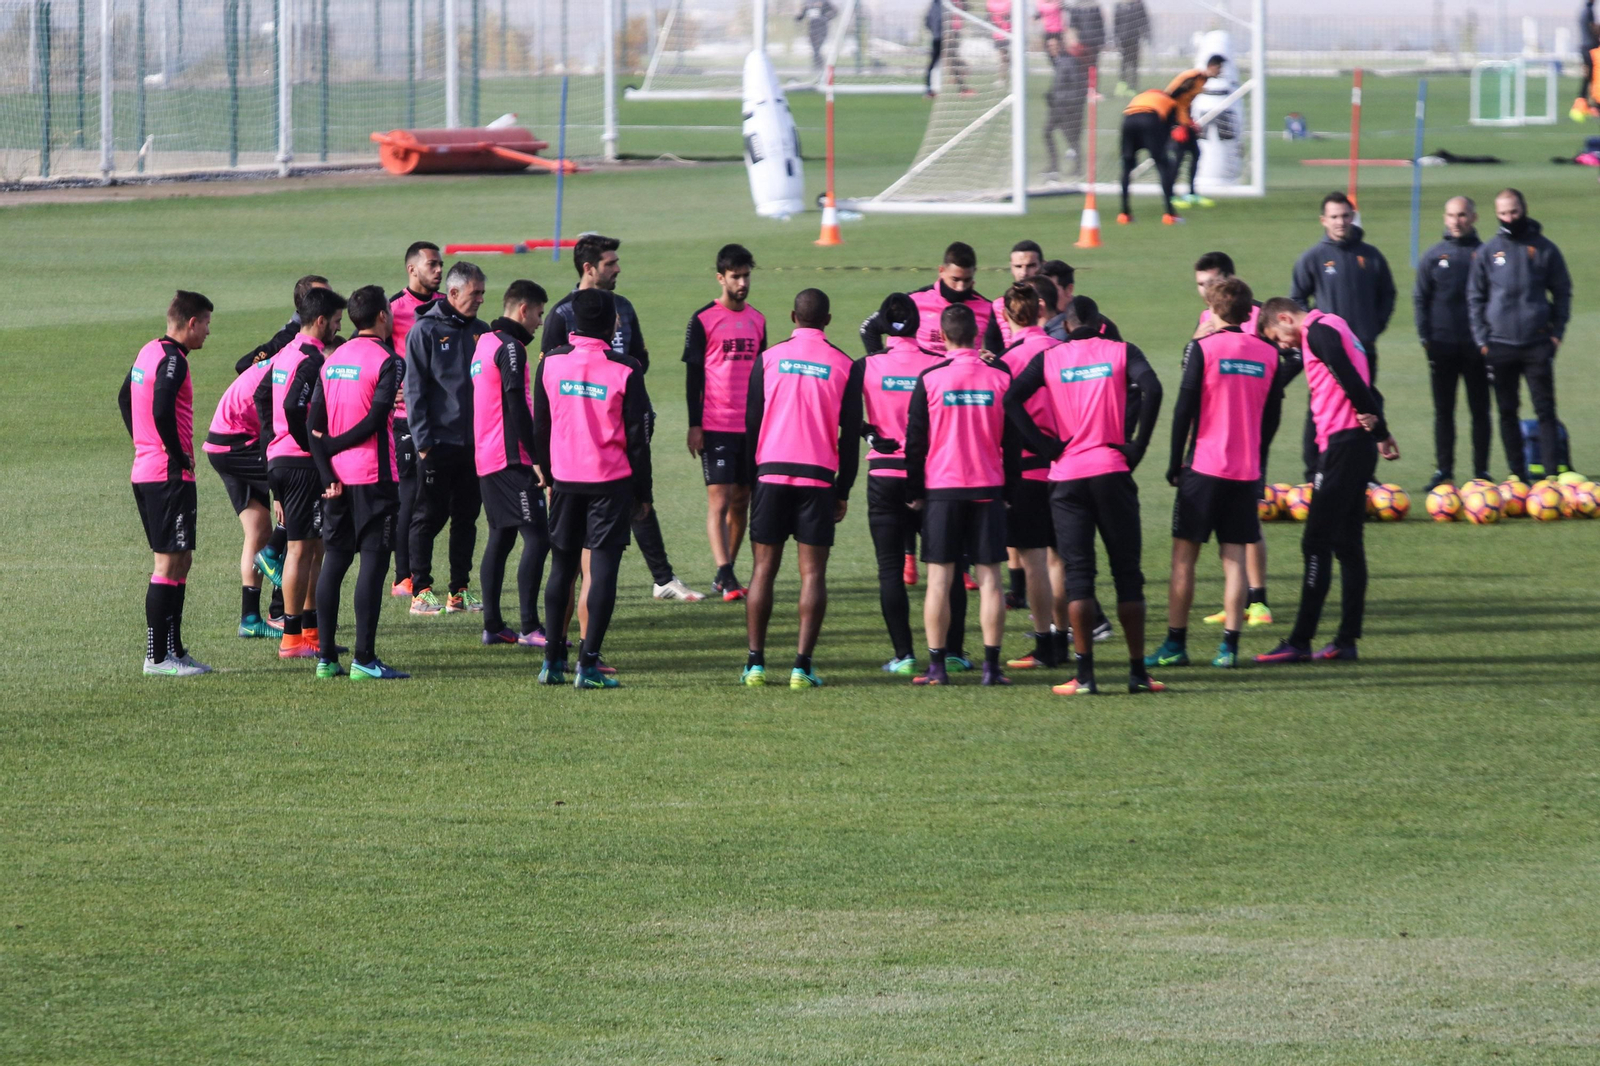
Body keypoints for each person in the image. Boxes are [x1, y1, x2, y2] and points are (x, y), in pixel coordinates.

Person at [1003, 296, 1164, 695]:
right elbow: (1153, 388)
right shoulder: (1121, 351)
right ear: (1100, 323)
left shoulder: (1052, 358)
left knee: (1079, 578)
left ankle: (1085, 676)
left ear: (1069, 325)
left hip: (1067, 475)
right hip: (1111, 470)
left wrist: (1046, 447)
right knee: (1128, 575)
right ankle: (1137, 673)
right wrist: (1138, 445)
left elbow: (1010, 400)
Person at [542, 233, 704, 602]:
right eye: (610, 263)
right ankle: (583, 590)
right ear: (589, 268)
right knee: (601, 502)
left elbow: (640, 357)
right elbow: (549, 376)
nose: (618, 268)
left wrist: (622, 378)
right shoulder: (563, 313)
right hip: (582, 432)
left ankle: (662, 578)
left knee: (635, 490)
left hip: (626, 416)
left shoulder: (624, 307)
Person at [1149, 276, 1295, 670]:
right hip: (1245, 472)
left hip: (1204, 468)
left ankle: (1175, 645)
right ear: (1251, 313)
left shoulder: (1204, 348)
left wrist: (1174, 460)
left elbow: (1185, 408)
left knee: (1184, 560)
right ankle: (1228, 647)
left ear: (1213, 310)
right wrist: (1258, 460)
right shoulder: (1268, 355)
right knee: (1234, 561)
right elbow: (1272, 416)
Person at [1255, 299, 1400, 664]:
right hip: (1354, 444)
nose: (1283, 345)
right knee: (1349, 545)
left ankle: (1300, 641)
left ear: (1286, 318)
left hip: (1343, 445)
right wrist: (1379, 428)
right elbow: (1364, 379)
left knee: (1315, 541)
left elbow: (1348, 376)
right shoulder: (1337, 323)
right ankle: (1345, 641)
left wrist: (1377, 426)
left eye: (1278, 337)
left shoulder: (1317, 332)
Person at [741, 288, 865, 689]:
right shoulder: (845, 364)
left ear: (793, 316)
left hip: (771, 474)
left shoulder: (768, 358)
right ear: (827, 320)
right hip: (818, 477)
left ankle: (755, 664)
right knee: (813, 575)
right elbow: (849, 438)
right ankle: (801, 667)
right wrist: (843, 489)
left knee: (763, 570)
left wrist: (751, 479)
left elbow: (751, 424)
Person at [533, 289, 655, 690]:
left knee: (562, 569)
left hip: (565, 481)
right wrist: (643, 493)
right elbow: (637, 439)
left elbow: (542, 425)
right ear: (611, 323)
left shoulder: (550, 364)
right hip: (609, 483)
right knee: (600, 572)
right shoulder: (625, 369)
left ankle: (552, 661)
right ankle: (587, 666)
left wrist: (548, 474)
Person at [903, 304, 1018, 687]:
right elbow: (1012, 441)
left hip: (942, 490)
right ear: (977, 336)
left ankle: (937, 667)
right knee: (990, 580)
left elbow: (915, 442)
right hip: (987, 487)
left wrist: (915, 492)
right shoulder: (999, 376)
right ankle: (991, 668)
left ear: (944, 337)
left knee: (939, 580)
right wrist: (1010, 490)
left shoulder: (931, 378)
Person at [860, 293, 970, 676]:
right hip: (931, 478)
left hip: (883, 475)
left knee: (889, 569)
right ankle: (953, 652)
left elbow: (842, 414)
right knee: (947, 566)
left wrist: (870, 434)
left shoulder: (868, 365)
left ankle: (904, 655)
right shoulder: (937, 364)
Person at [307, 285, 410, 680]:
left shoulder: (332, 360)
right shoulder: (388, 359)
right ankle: (364, 659)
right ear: (382, 316)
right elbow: (374, 420)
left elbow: (313, 427)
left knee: (334, 560)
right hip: (374, 477)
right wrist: (335, 447)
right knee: (372, 563)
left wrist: (327, 469)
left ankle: (327, 658)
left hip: (337, 482)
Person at [1190, 251, 1296, 630]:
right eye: (1201, 284)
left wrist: (1270, 386)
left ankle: (1259, 600)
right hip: (1216, 427)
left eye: (1214, 283)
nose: (1207, 292)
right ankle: (1233, 602)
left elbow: (1293, 353)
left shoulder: (1255, 314)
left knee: (1246, 512)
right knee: (1225, 519)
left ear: (1231, 280)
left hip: (1252, 424)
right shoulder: (1207, 318)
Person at [120, 290, 213, 677]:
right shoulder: (174, 360)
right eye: (206, 324)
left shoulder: (149, 350)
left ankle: (174, 649)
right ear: (191, 323)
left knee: (182, 559)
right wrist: (175, 454)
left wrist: (141, 442)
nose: (208, 332)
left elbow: (125, 397)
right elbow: (160, 407)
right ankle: (157, 658)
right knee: (167, 563)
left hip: (148, 469)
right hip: (167, 476)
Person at [255, 285, 345, 659]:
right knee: (299, 550)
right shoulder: (310, 359)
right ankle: (293, 637)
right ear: (321, 321)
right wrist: (309, 445)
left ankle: (309, 631)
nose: (338, 329)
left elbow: (262, 396)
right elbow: (294, 406)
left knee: (312, 548)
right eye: (336, 322)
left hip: (282, 460)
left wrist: (271, 445)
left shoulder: (286, 351)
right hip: (298, 463)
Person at [404, 260, 491, 615]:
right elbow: (414, 390)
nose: (481, 300)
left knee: (467, 518)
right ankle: (421, 590)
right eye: (475, 294)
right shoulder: (424, 332)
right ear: (453, 293)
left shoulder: (482, 331)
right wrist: (423, 443)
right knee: (428, 518)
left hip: (474, 445)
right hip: (437, 445)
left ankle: (460, 591)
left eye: (483, 293)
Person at [1467, 188, 1572, 482]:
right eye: (1503, 213)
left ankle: (1551, 475)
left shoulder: (1545, 249)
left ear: (1523, 208)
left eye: (1513, 211)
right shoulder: (1488, 251)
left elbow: (1562, 292)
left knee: (1545, 410)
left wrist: (1556, 334)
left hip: (1537, 343)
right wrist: (1482, 340)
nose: (1509, 218)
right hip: (1499, 345)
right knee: (1507, 411)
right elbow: (1475, 296)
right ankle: (1517, 474)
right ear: (1496, 214)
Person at [1289, 191, 1396, 479]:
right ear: (1323, 220)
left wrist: (1373, 327)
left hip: (1363, 350)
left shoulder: (1370, 256)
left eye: (1346, 215)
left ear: (1353, 216)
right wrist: (1315, 332)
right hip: (1326, 352)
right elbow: (1297, 299)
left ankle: (1365, 474)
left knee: (1366, 406)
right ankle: (1315, 472)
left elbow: (1387, 294)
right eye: (1334, 217)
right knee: (1321, 408)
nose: (1340, 222)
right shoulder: (1313, 258)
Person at [684, 244, 767, 602]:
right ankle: (726, 572)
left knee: (742, 500)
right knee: (718, 500)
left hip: (752, 426)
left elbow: (764, 374)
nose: (742, 282)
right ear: (721, 278)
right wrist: (694, 424)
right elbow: (693, 375)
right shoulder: (703, 319)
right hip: (716, 423)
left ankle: (726, 570)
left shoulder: (758, 320)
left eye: (747, 275)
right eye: (736, 276)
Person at [473, 280, 551, 648]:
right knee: (538, 537)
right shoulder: (510, 347)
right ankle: (531, 626)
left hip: (486, 457)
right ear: (523, 310)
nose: (539, 322)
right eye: (538, 313)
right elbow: (516, 404)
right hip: (509, 458)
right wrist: (535, 458)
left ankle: (492, 625)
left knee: (501, 538)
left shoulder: (484, 343)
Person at [995, 280, 1065, 670]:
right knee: (1062, 559)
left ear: (1006, 315)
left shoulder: (1008, 360)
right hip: (1067, 464)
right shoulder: (1062, 351)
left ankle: (1044, 644)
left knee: (1034, 559)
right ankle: (1066, 636)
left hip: (1027, 468)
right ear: (1041, 310)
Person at [203, 337, 281, 640]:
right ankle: (274, 562)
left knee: (258, 528)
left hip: (223, 441)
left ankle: (250, 619)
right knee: (298, 485)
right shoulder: (297, 364)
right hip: (238, 443)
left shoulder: (287, 356)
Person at [1414, 196, 1490, 489]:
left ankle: (1481, 472)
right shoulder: (1434, 256)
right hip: (1442, 347)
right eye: (1451, 215)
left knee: (1480, 411)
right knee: (1444, 412)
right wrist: (1426, 339)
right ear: (1444, 218)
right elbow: (1421, 298)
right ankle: (1443, 471)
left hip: (1478, 347)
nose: (1456, 221)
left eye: (1462, 215)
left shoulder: (1484, 254)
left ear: (1473, 217)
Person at [388, 240, 444, 598]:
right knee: (410, 497)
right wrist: (390, 387)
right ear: (413, 269)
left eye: (441, 265)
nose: (438, 270)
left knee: (442, 500)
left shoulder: (448, 307)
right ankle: (402, 577)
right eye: (432, 265)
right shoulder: (393, 309)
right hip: (405, 419)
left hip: (444, 420)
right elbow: (373, 351)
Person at [1117, 57, 1221, 225]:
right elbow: (1171, 127)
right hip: (1151, 118)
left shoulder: (1143, 96)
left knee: (1127, 166)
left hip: (1128, 119)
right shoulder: (1170, 102)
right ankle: (1169, 214)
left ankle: (1124, 214)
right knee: (1163, 165)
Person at [860, 241, 994, 357]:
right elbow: (869, 328)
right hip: (923, 384)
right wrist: (881, 363)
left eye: (967, 280)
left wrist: (994, 361)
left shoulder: (989, 309)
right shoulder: (914, 301)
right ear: (941, 270)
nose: (960, 287)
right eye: (955, 279)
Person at [981, 240, 1044, 352]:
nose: (1024, 273)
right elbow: (993, 348)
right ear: (1011, 268)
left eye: (1031, 266)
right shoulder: (999, 306)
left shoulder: (1055, 300)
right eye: (1018, 266)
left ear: (1043, 265)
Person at [1042, 40, 1089, 182]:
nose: (1052, 49)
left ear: (1061, 46)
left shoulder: (1069, 61)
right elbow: (1060, 84)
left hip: (1067, 107)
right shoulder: (1059, 61)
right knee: (1047, 133)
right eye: (1049, 46)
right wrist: (1051, 95)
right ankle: (1054, 166)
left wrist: (1070, 103)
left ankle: (1078, 168)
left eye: (1054, 46)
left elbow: (1077, 85)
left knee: (1071, 137)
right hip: (1057, 106)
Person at [1111, 0, 1150, 95]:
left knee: (1134, 63)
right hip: (1123, 38)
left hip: (1135, 37)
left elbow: (1144, 20)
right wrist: (1116, 38)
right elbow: (1116, 23)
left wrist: (1146, 34)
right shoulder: (1119, 6)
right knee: (1124, 62)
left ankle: (1132, 86)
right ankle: (1122, 85)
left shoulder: (1139, 5)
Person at [1068, 1, 1107, 79]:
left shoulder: (1095, 7)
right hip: (1082, 42)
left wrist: (1102, 41)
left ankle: (1092, 88)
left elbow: (1101, 25)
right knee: (1082, 66)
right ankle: (1082, 87)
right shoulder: (1076, 8)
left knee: (1093, 66)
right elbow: (1073, 26)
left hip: (1094, 42)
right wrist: (1074, 41)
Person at [797, 0, 837, 74]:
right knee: (815, 49)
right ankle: (818, 67)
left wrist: (826, 17)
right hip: (812, 29)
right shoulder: (808, 2)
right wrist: (798, 18)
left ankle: (819, 67)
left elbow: (835, 12)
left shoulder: (825, 2)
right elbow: (803, 14)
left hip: (822, 28)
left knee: (817, 48)